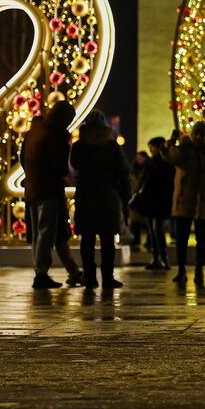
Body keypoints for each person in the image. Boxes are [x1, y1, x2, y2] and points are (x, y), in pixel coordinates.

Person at [22, 103, 84, 289]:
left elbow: (22, 158)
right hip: (48, 190)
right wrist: (65, 143)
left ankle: (46, 271)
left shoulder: (33, 132)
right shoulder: (55, 135)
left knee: (38, 234)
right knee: (46, 233)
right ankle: (41, 273)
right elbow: (60, 167)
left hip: (32, 189)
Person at [70, 111, 131, 291]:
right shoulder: (112, 147)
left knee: (87, 240)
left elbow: (75, 167)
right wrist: (125, 196)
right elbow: (123, 173)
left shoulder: (79, 146)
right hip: (107, 197)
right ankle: (107, 277)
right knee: (107, 240)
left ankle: (89, 278)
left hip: (86, 196)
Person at [166, 122, 205, 286]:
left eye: (203, 135)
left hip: (203, 201)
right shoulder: (184, 150)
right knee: (181, 239)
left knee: (202, 240)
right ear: (192, 134)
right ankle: (181, 270)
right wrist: (171, 143)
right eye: (197, 134)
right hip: (184, 200)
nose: (199, 137)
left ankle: (199, 270)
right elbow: (170, 156)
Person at [133, 137, 175, 270]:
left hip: (159, 202)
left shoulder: (163, 163)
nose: (150, 150)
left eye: (152, 147)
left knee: (157, 230)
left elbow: (163, 184)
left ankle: (163, 258)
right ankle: (157, 258)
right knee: (152, 231)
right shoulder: (152, 162)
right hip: (150, 202)